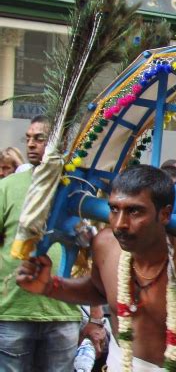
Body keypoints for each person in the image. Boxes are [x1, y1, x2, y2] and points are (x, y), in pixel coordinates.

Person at [16, 165, 176, 371]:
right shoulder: (104, 244)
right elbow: (99, 290)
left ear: (164, 215)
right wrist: (51, 286)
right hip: (120, 363)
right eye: (114, 209)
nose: (120, 224)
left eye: (134, 211)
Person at [0, 115, 82, 371]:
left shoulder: (79, 189)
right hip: (13, 310)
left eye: (39, 138)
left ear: (60, 142)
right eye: (28, 139)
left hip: (64, 311)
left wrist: (97, 319)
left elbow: (90, 256)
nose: (31, 144)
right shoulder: (7, 186)